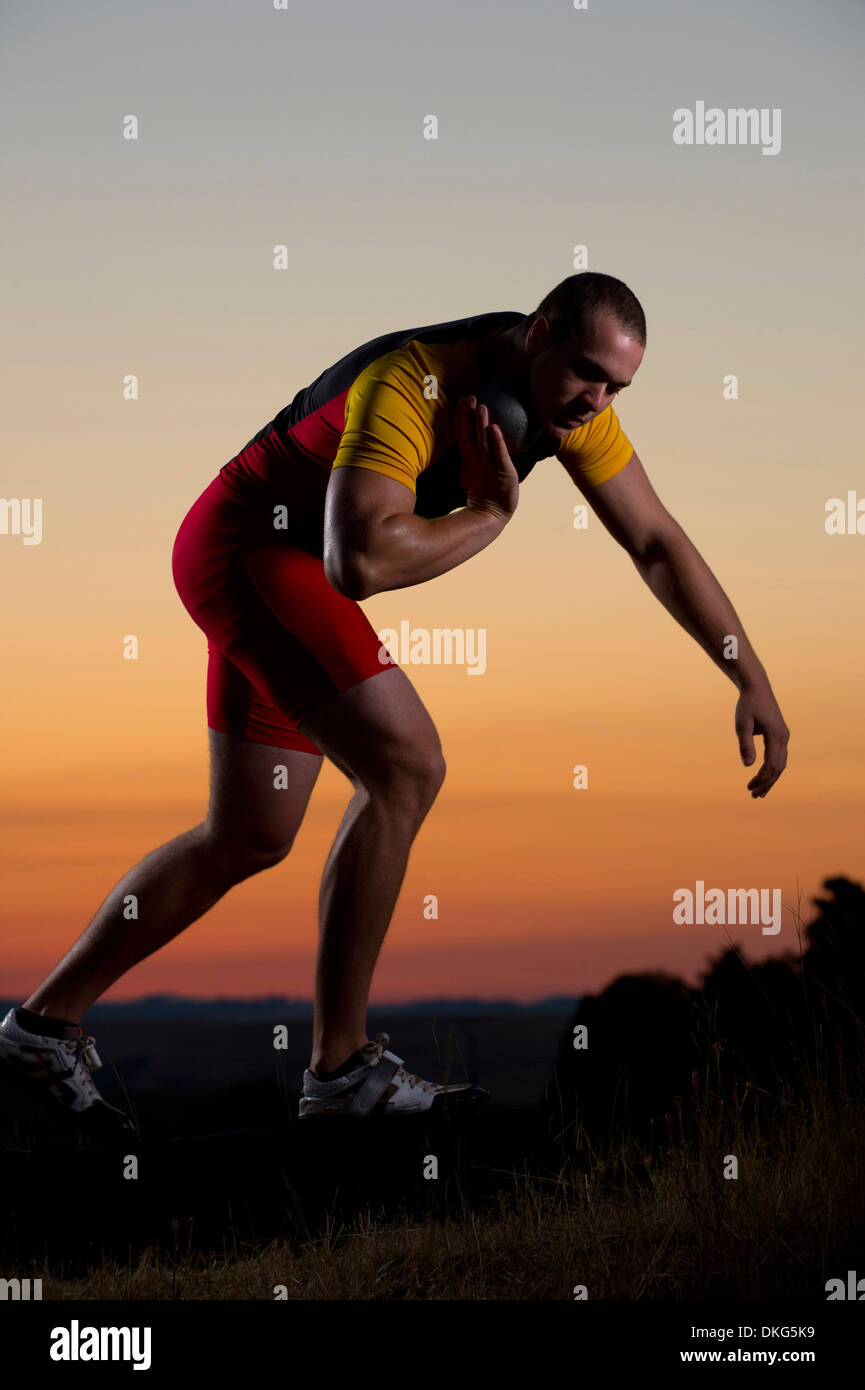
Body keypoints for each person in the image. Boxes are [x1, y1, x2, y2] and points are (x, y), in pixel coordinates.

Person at [0, 272, 789, 1127]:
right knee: (407, 766)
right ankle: (340, 1072)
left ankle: (39, 1029)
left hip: (272, 563)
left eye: (616, 387)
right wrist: (489, 514)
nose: (596, 401)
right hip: (252, 550)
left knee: (248, 835)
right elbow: (360, 564)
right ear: (540, 332)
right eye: (586, 373)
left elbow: (656, 542)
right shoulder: (411, 383)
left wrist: (748, 675)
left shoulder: (570, 409)